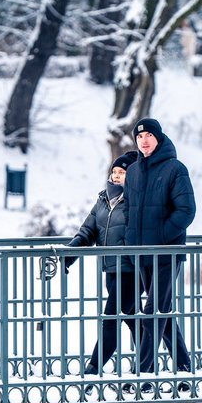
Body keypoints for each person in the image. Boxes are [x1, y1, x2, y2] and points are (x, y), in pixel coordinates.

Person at [123, 118, 196, 392]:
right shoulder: (133, 172)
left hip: (166, 253)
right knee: (162, 312)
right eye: (139, 137)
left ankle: (142, 373)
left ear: (159, 138)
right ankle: (184, 368)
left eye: (149, 136)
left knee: (152, 311)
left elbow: (186, 210)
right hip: (141, 253)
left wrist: (162, 237)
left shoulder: (175, 169)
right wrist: (132, 240)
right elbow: (128, 209)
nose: (143, 141)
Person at [65, 151, 139, 380]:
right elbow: (87, 232)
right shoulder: (103, 200)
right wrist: (68, 255)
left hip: (131, 270)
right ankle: (147, 365)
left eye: (122, 173)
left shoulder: (136, 201)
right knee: (131, 316)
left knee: (111, 317)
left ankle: (93, 368)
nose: (116, 177)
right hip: (110, 270)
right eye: (114, 172)